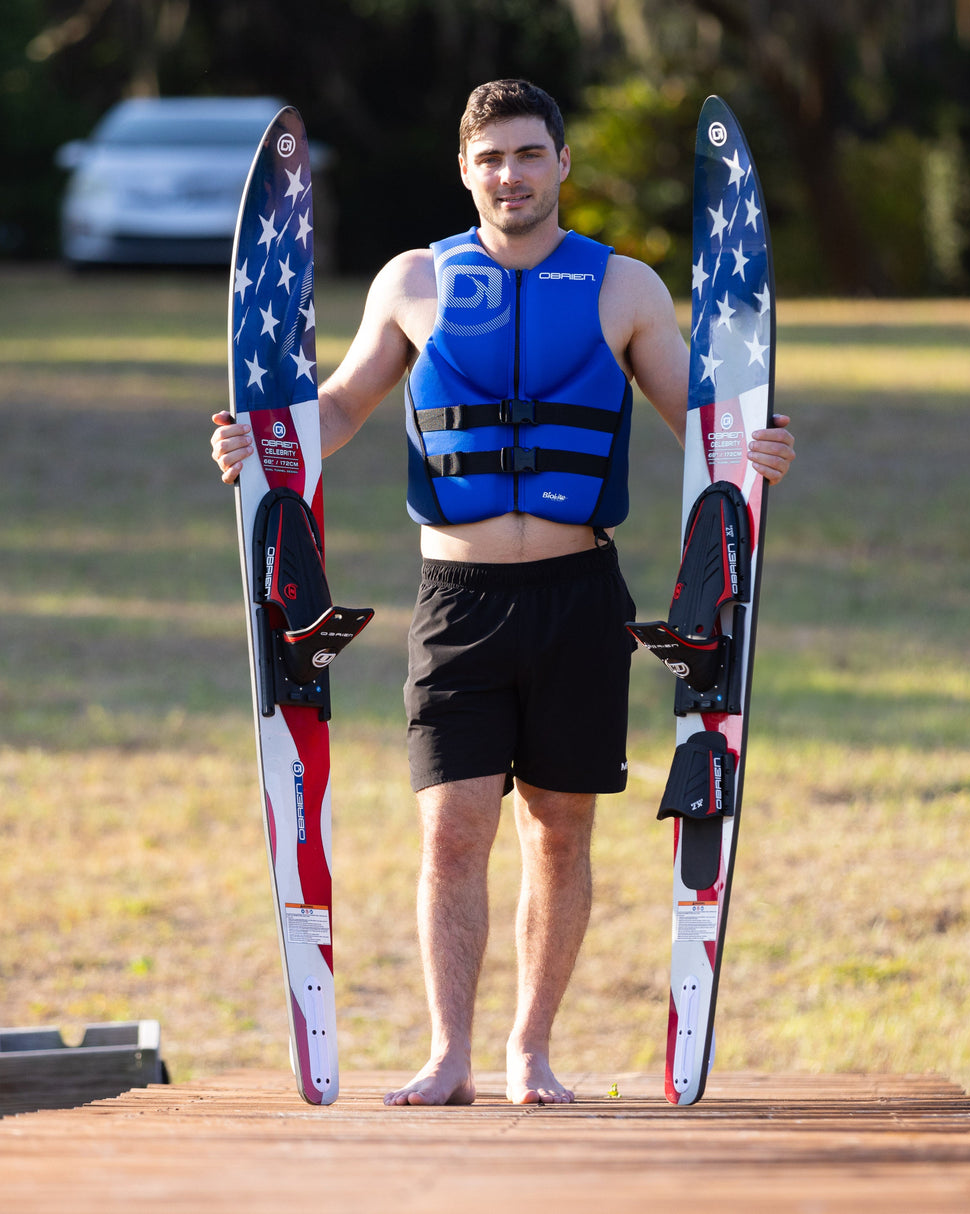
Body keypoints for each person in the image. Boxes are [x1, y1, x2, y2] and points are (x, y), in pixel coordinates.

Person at [211, 79, 795, 1107]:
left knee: (559, 827)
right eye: (489, 158)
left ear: (561, 164)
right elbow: (343, 401)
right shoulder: (413, 280)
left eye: (528, 155)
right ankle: (449, 1053)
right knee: (450, 828)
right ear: (464, 169)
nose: (509, 175)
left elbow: (698, 423)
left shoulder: (625, 290)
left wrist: (756, 449)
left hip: (579, 595)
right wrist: (265, 444)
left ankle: (530, 1048)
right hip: (456, 601)